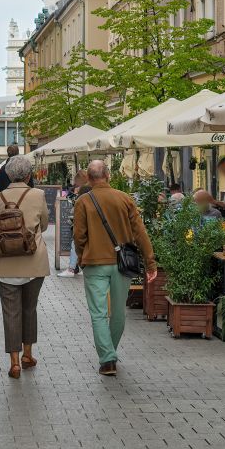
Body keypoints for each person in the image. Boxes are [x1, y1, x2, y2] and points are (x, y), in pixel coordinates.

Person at [72, 159, 156, 377]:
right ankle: (110, 354)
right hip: (122, 263)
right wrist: (150, 262)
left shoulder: (83, 201)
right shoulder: (124, 198)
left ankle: (107, 358)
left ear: (89, 179)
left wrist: (82, 258)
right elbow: (140, 233)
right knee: (118, 311)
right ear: (108, 176)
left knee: (98, 313)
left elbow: (79, 236)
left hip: (94, 263)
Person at [0, 155, 49, 379]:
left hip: (5, 263)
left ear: (7, 174)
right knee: (29, 309)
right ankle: (28, 354)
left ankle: (14, 362)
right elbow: (43, 224)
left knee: (10, 313)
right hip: (34, 262)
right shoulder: (38, 195)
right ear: (28, 175)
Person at [58, 170, 91, 277]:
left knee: (75, 243)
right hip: (91, 222)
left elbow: (74, 202)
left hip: (81, 221)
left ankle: (71, 269)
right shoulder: (92, 187)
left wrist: (75, 194)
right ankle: (80, 267)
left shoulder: (84, 189)